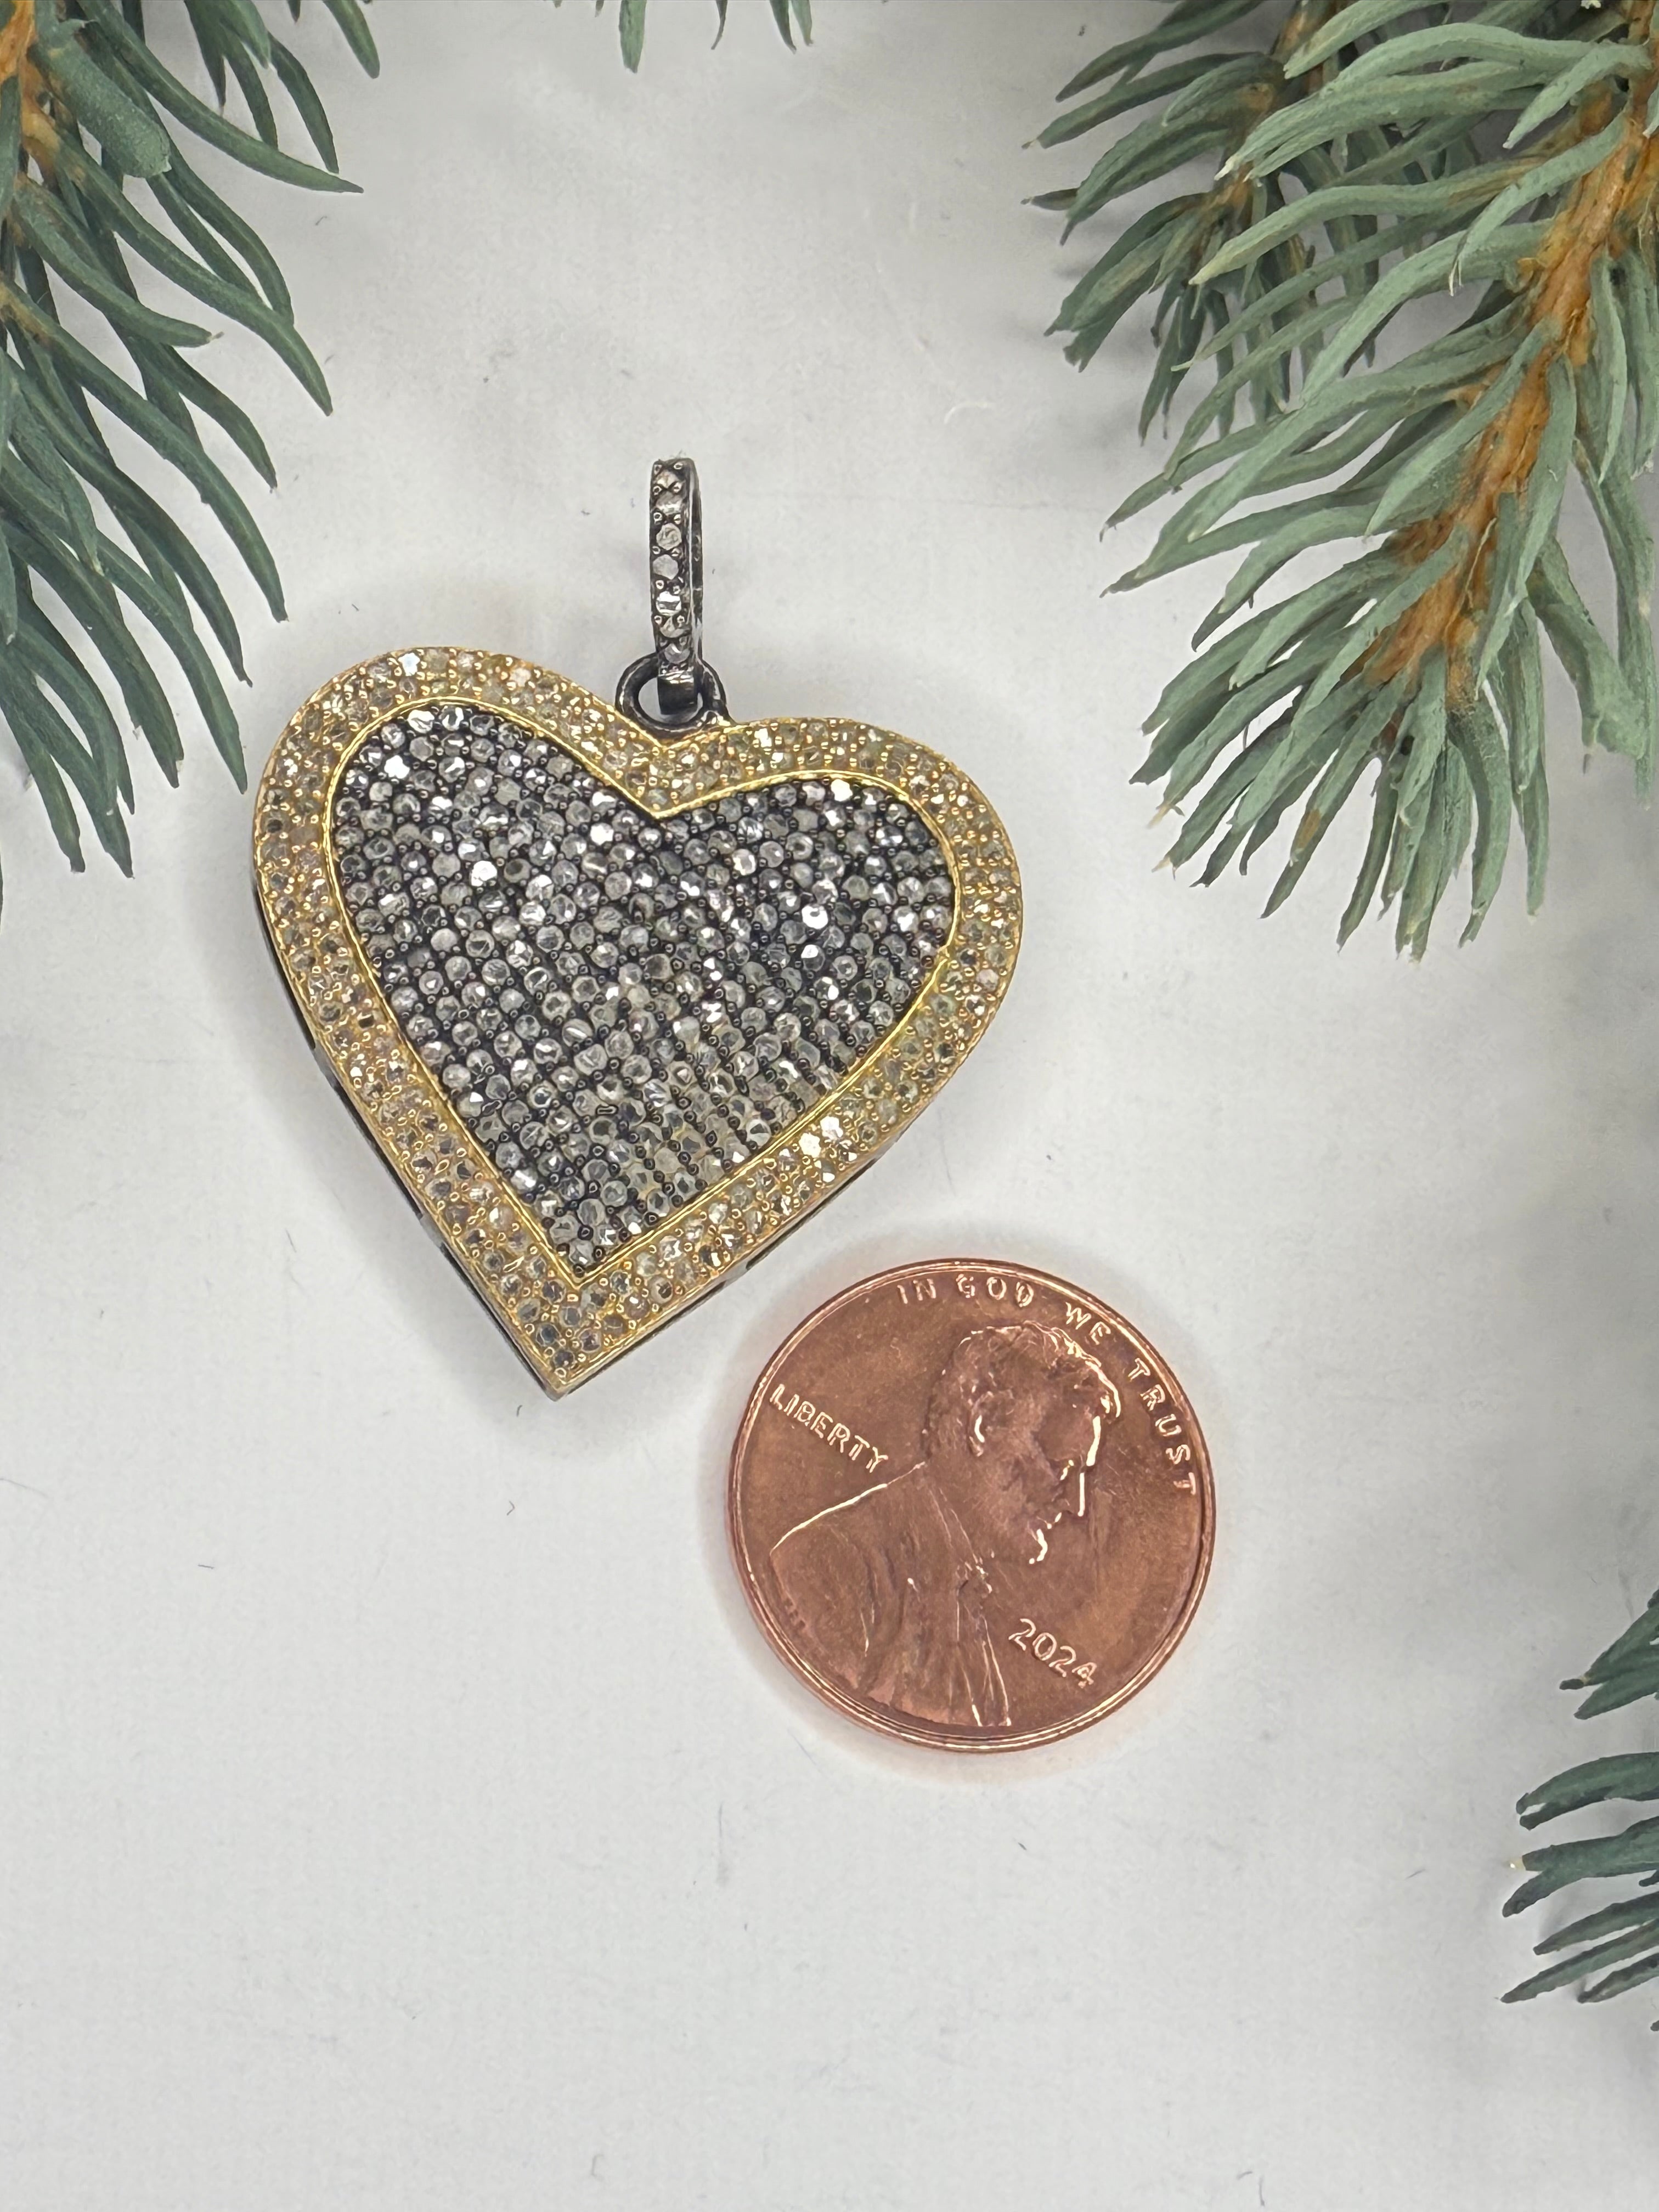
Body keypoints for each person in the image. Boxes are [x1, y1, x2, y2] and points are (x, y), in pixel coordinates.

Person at [768, 1323, 1121, 1730]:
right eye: (1060, 1465)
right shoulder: (826, 1561)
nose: (1076, 1504)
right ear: (983, 1425)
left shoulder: (964, 1598)